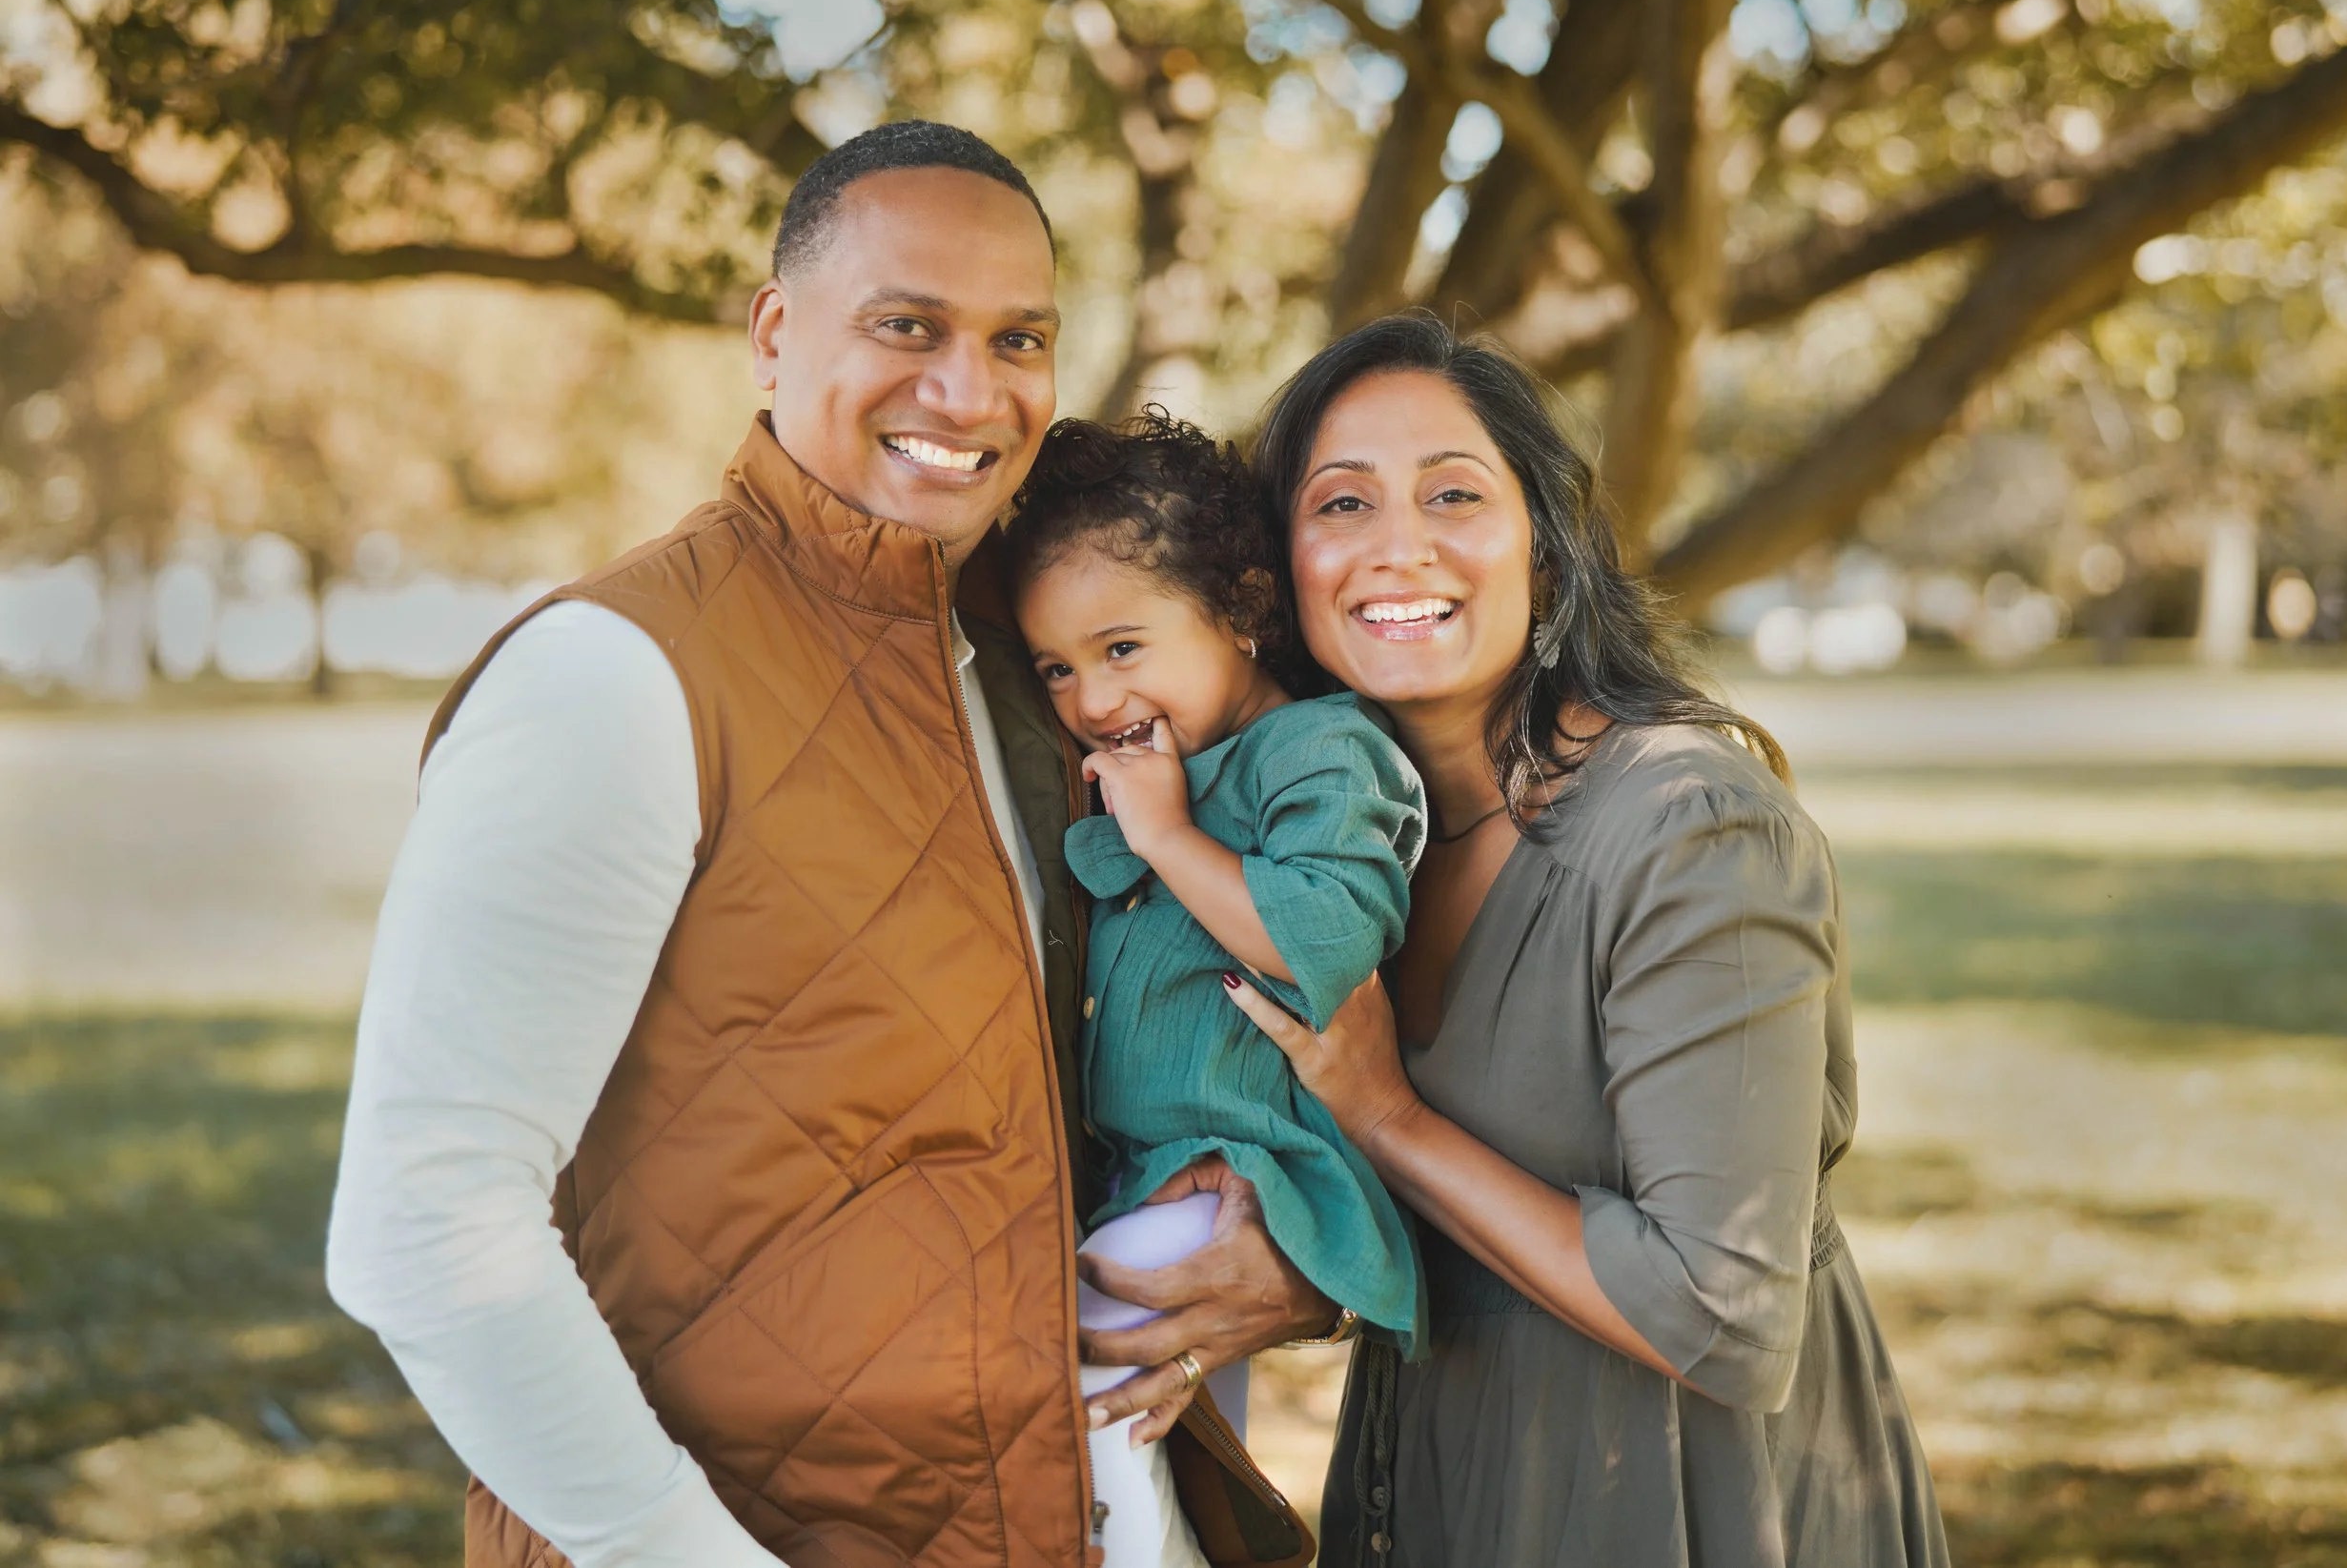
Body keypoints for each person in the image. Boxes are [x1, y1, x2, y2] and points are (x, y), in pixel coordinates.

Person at [324, 122, 1334, 1568]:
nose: (969, 390)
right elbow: (423, 1226)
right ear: (775, 333)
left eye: (1020, 336)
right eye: (906, 325)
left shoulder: (1050, 662)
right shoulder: (612, 672)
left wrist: (1304, 1263)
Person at [1221, 314, 1952, 1567]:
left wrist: (1390, 1118)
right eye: (1341, 504)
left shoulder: (1693, 829)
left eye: (1453, 493)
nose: (1397, 545)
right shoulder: (1345, 851)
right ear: (1283, 569)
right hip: (1452, 1474)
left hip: (1688, 1497)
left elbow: (1717, 1307)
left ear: (1547, 557)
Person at [1009, 416, 1427, 1566]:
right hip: (1152, 1172)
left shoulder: (1320, 750)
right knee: (1179, 1432)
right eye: (1057, 666)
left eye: (1122, 647)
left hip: (1248, 1163)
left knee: (1090, 1389)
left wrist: (1168, 831)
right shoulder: (1160, 773)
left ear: (1241, 611)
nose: (1091, 697)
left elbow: (1323, 937)